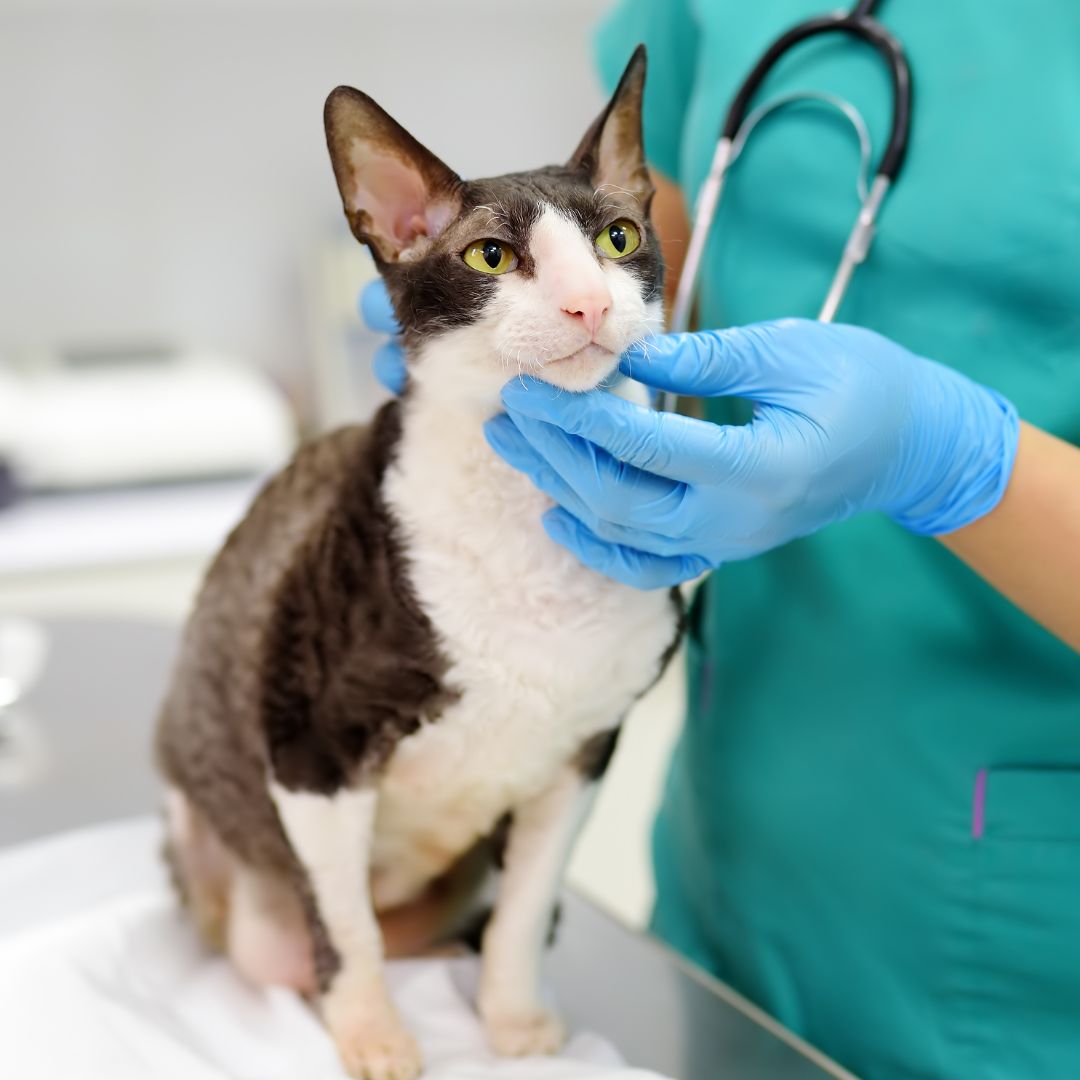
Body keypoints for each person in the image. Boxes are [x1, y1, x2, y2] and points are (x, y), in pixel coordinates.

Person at [360, 4, 1080, 1075]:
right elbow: (645, 229)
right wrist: (498, 309)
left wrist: (947, 454)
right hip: (720, 877)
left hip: (1007, 938)